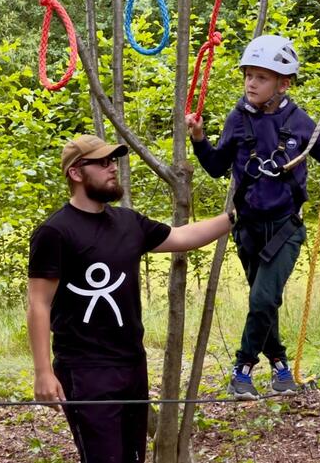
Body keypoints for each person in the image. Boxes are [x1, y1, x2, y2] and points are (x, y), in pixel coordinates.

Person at [28, 134, 233, 463]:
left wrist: (235, 217)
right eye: (104, 162)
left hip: (132, 363)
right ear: (76, 173)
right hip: (85, 369)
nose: (114, 168)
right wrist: (42, 373)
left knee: (132, 457)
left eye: (114, 161)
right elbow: (39, 303)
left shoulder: (127, 222)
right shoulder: (55, 232)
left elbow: (181, 237)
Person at [185, 34, 320, 400]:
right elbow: (216, 168)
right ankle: (279, 365)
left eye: (261, 77)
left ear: (283, 83)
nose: (251, 83)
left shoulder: (301, 122)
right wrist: (200, 140)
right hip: (247, 229)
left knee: (262, 300)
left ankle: (242, 370)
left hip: (284, 228)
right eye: (248, 75)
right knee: (266, 301)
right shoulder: (238, 119)